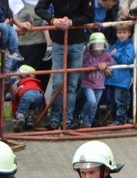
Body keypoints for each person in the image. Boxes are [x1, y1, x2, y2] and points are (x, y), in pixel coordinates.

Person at [34, 0, 92, 131]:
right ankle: (55, 119)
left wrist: (71, 22)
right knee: (58, 82)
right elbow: (39, 8)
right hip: (58, 41)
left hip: (77, 41)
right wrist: (53, 20)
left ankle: (68, 120)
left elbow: (88, 16)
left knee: (72, 84)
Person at [75, 31, 112, 129]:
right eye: (95, 45)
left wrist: (106, 66)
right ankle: (81, 116)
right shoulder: (87, 55)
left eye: (100, 45)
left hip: (100, 84)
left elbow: (111, 63)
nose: (98, 49)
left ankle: (88, 122)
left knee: (95, 105)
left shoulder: (106, 55)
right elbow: (85, 65)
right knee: (91, 101)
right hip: (88, 84)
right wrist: (97, 66)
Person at [11, 63, 45, 130]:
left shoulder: (18, 82)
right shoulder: (35, 82)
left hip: (27, 93)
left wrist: (14, 112)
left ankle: (20, 118)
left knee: (22, 108)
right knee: (32, 105)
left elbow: (15, 98)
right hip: (39, 94)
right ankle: (30, 120)